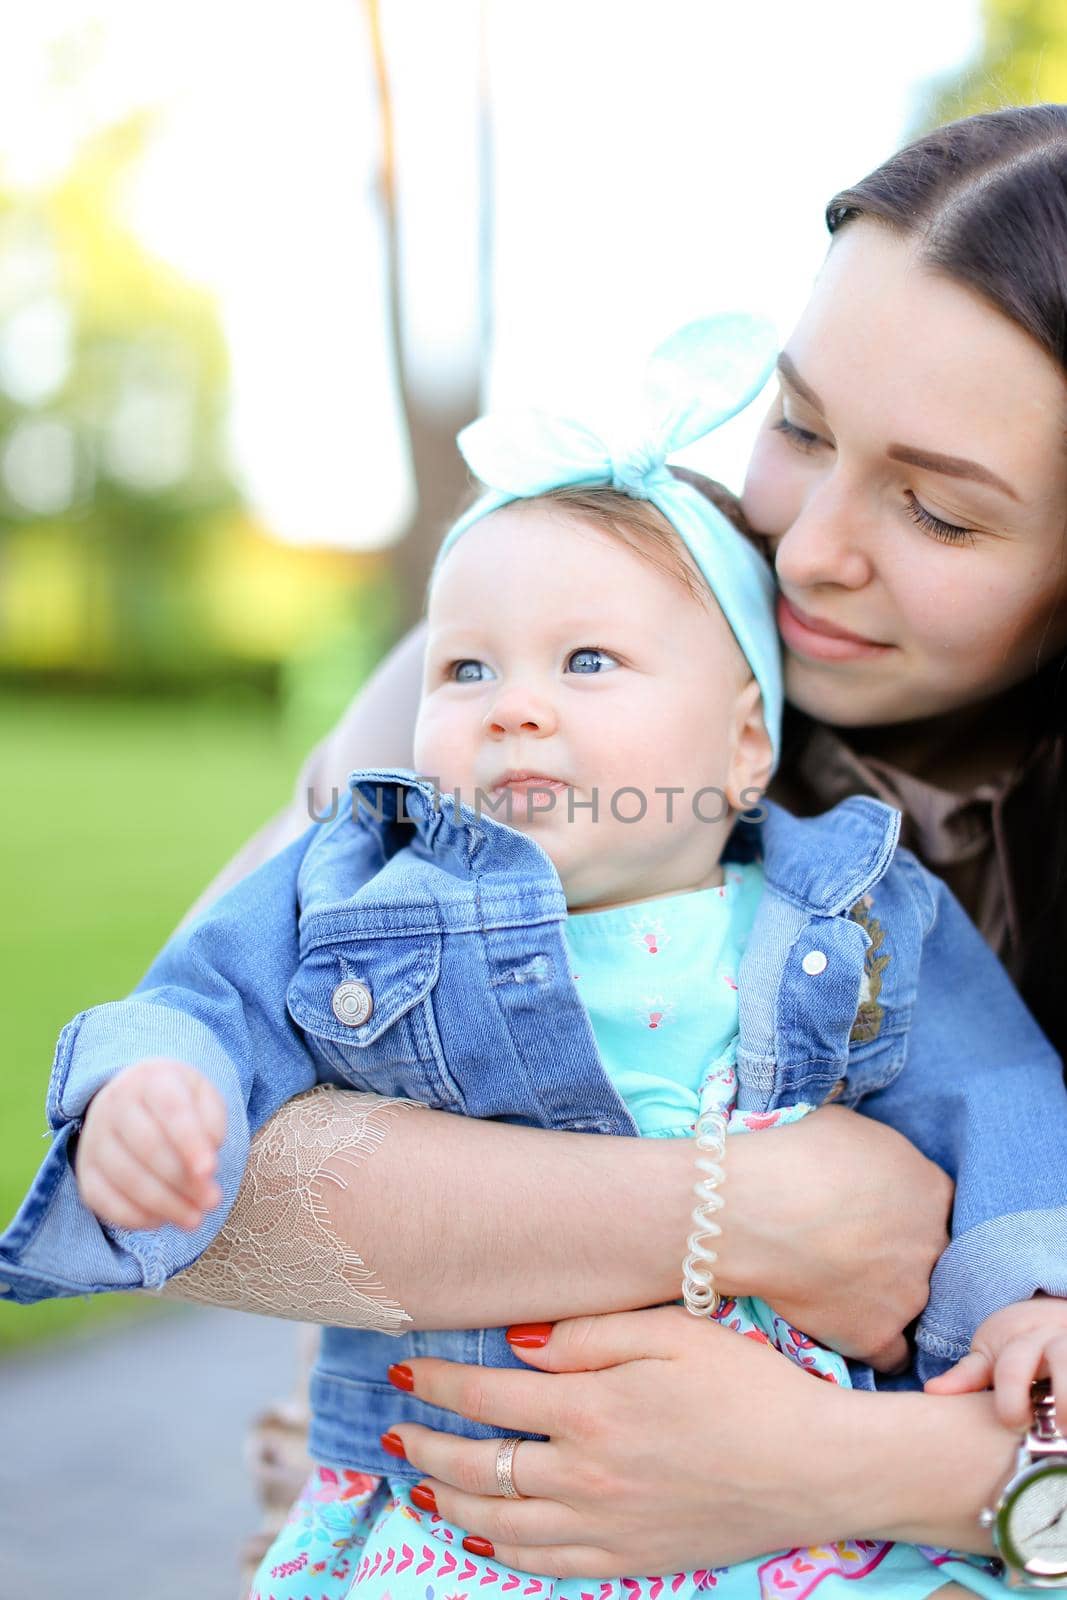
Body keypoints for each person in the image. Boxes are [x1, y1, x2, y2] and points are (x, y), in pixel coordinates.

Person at [3, 99, 1066, 1590]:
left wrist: (878, 1468)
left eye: (941, 513)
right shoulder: (601, 595)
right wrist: (753, 1217)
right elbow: (228, 1190)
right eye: (800, 426)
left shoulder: (872, 908)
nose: (810, 545)